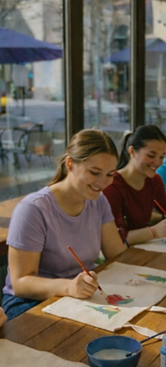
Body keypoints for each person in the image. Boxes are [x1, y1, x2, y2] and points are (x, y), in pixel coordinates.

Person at [2, 129, 126, 321]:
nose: (103, 182)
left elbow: (117, 255)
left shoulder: (99, 200)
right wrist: (69, 287)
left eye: (110, 174)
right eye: (94, 172)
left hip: (81, 296)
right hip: (29, 303)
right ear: (70, 164)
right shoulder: (33, 209)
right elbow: (20, 283)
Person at [103, 125, 166, 246]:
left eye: (162, 157)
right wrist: (154, 232)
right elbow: (117, 238)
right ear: (132, 151)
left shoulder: (155, 180)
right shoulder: (112, 186)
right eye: (151, 155)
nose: (158, 162)